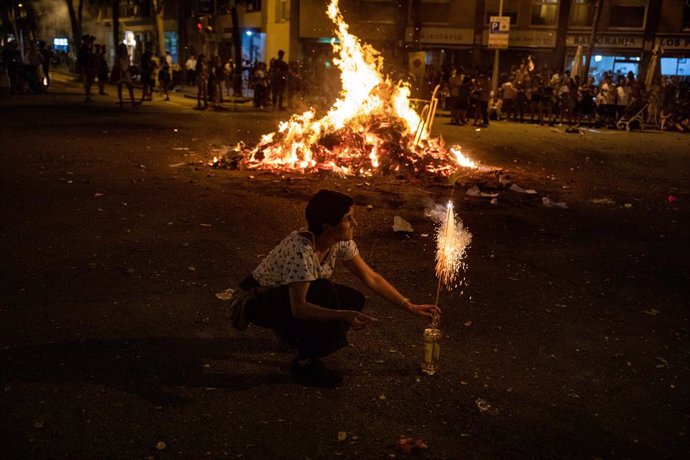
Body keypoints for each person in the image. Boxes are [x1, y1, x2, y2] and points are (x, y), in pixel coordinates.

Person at [229, 190, 438, 387]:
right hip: (255, 300)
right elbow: (299, 307)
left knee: (352, 298)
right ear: (327, 226)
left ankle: (294, 336)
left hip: (285, 296)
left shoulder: (339, 242)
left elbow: (372, 278)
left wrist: (409, 306)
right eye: (347, 218)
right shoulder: (301, 250)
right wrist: (343, 315)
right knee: (323, 291)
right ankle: (305, 361)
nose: (354, 223)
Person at [113, 43, 137, 107]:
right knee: (120, 87)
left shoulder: (127, 56)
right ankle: (121, 101)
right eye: (122, 48)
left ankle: (133, 101)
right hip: (120, 73)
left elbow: (129, 65)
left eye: (124, 48)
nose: (123, 49)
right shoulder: (118, 57)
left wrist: (126, 71)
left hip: (126, 73)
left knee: (130, 87)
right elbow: (117, 65)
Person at [76, 34, 97, 102]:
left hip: (90, 67)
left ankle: (88, 96)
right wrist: (82, 68)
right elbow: (81, 59)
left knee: (90, 82)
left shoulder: (89, 49)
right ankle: (87, 96)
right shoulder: (83, 49)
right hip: (86, 68)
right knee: (87, 83)